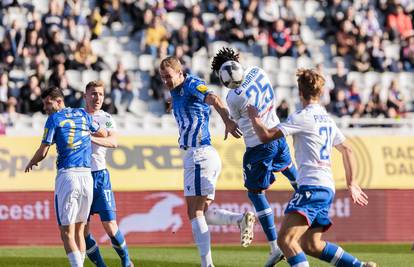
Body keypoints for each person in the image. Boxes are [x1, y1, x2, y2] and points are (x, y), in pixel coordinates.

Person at [247, 69, 377, 267]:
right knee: (311, 244)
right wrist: (352, 183)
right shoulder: (327, 119)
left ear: (300, 92)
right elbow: (347, 150)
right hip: (326, 188)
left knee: (286, 240)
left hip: (312, 187)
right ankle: (359, 266)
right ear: (321, 92)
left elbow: (265, 136)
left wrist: (254, 118)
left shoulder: (301, 117)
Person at [159, 56, 255, 267]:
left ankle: (207, 264)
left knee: (194, 212)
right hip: (198, 156)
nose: (165, 81)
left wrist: (228, 120)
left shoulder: (191, 83)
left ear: (180, 73)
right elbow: (185, 102)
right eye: (163, 77)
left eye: (169, 76)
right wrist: (174, 103)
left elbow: (213, 98)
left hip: (199, 154)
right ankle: (239, 220)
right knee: (204, 213)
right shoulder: (176, 92)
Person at [211, 47, 298, 267]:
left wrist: (229, 124)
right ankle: (311, 200)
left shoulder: (233, 96)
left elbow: (237, 124)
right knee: (289, 169)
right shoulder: (258, 71)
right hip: (277, 132)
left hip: (258, 146)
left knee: (255, 193)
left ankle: (274, 247)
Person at [25, 87, 107, 267]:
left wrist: (31, 162)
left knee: (66, 233)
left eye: (48, 103)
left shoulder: (54, 119)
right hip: (87, 176)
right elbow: (103, 133)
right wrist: (85, 135)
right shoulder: (82, 114)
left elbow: (43, 151)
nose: (45, 108)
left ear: (59, 102)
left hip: (68, 177)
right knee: (80, 231)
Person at [82, 81, 134, 267]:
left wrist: (89, 137)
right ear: (85, 96)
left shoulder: (105, 118)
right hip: (80, 177)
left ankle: (126, 261)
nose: (97, 98)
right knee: (83, 231)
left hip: (100, 177)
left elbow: (114, 142)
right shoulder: (78, 117)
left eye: (101, 95)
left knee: (110, 226)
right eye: (93, 94)